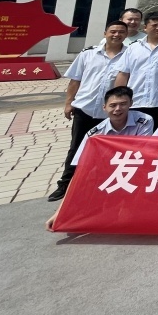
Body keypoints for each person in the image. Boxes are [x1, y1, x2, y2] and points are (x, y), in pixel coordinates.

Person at [45, 86, 153, 230]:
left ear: (131, 104)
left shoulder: (144, 120)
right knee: (87, 177)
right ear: (104, 107)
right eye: (113, 105)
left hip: (136, 169)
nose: (118, 109)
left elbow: (142, 156)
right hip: (108, 173)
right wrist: (58, 213)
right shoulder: (94, 134)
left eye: (123, 104)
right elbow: (79, 173)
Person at [48, 21, 130, 202]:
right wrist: (69, 103)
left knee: (108, 151)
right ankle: (66, 184)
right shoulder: (88, 53)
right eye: (113, 31)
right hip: (85, 109)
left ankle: (100, 184)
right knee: (77, 147)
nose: (117, 35)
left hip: (110, 114)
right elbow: (75, 80)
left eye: (121, 32)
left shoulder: (130, 55)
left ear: (126, 35)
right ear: (105, 33)